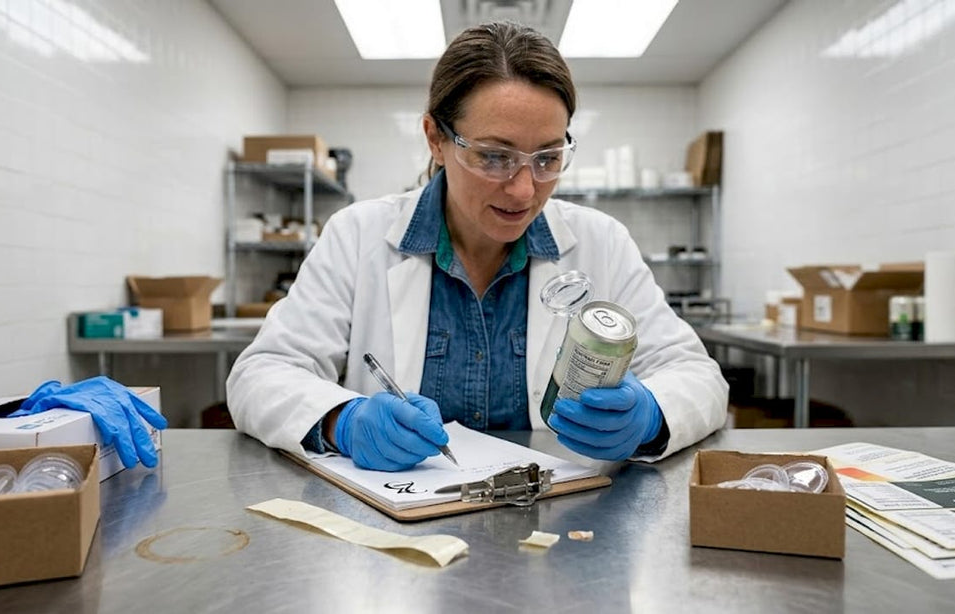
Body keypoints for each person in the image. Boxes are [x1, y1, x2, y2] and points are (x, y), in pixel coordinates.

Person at [226, 21, 727, 471]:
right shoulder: (357, 235)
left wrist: (651, 416)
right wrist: (343, 420)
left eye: (548, 157)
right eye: (494, 157)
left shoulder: (601, 242)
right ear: (435, 139)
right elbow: (261, 373)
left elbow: (696, 375)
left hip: (563, 533)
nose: (524, 190)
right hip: (398, 542)